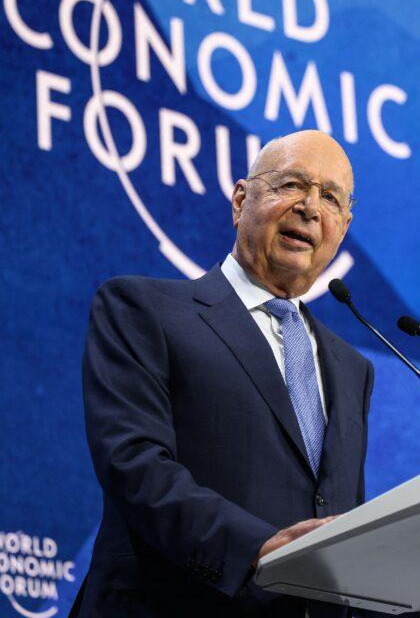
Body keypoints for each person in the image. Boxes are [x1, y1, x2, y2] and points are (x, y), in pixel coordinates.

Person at [71, 130, 374, 618]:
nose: (311, 208)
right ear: (240, 200)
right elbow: (133, 464)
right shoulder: (145, 309)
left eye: (331, 198)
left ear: (342, 227)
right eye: (293, 185)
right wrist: (258, 549)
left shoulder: (351, 368)